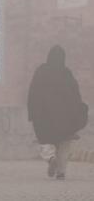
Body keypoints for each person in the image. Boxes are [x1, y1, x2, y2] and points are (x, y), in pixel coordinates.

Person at [27, 45, 88, 180]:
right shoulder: (66, 73)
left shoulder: (41, 71)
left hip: (43, 117)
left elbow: (33, 92)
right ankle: (61, 171)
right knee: (64, 143)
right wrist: (78, 112)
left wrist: (32, 112)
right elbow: (75, 95)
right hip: (64, 119)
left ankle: (50, 158)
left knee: (45, 141)